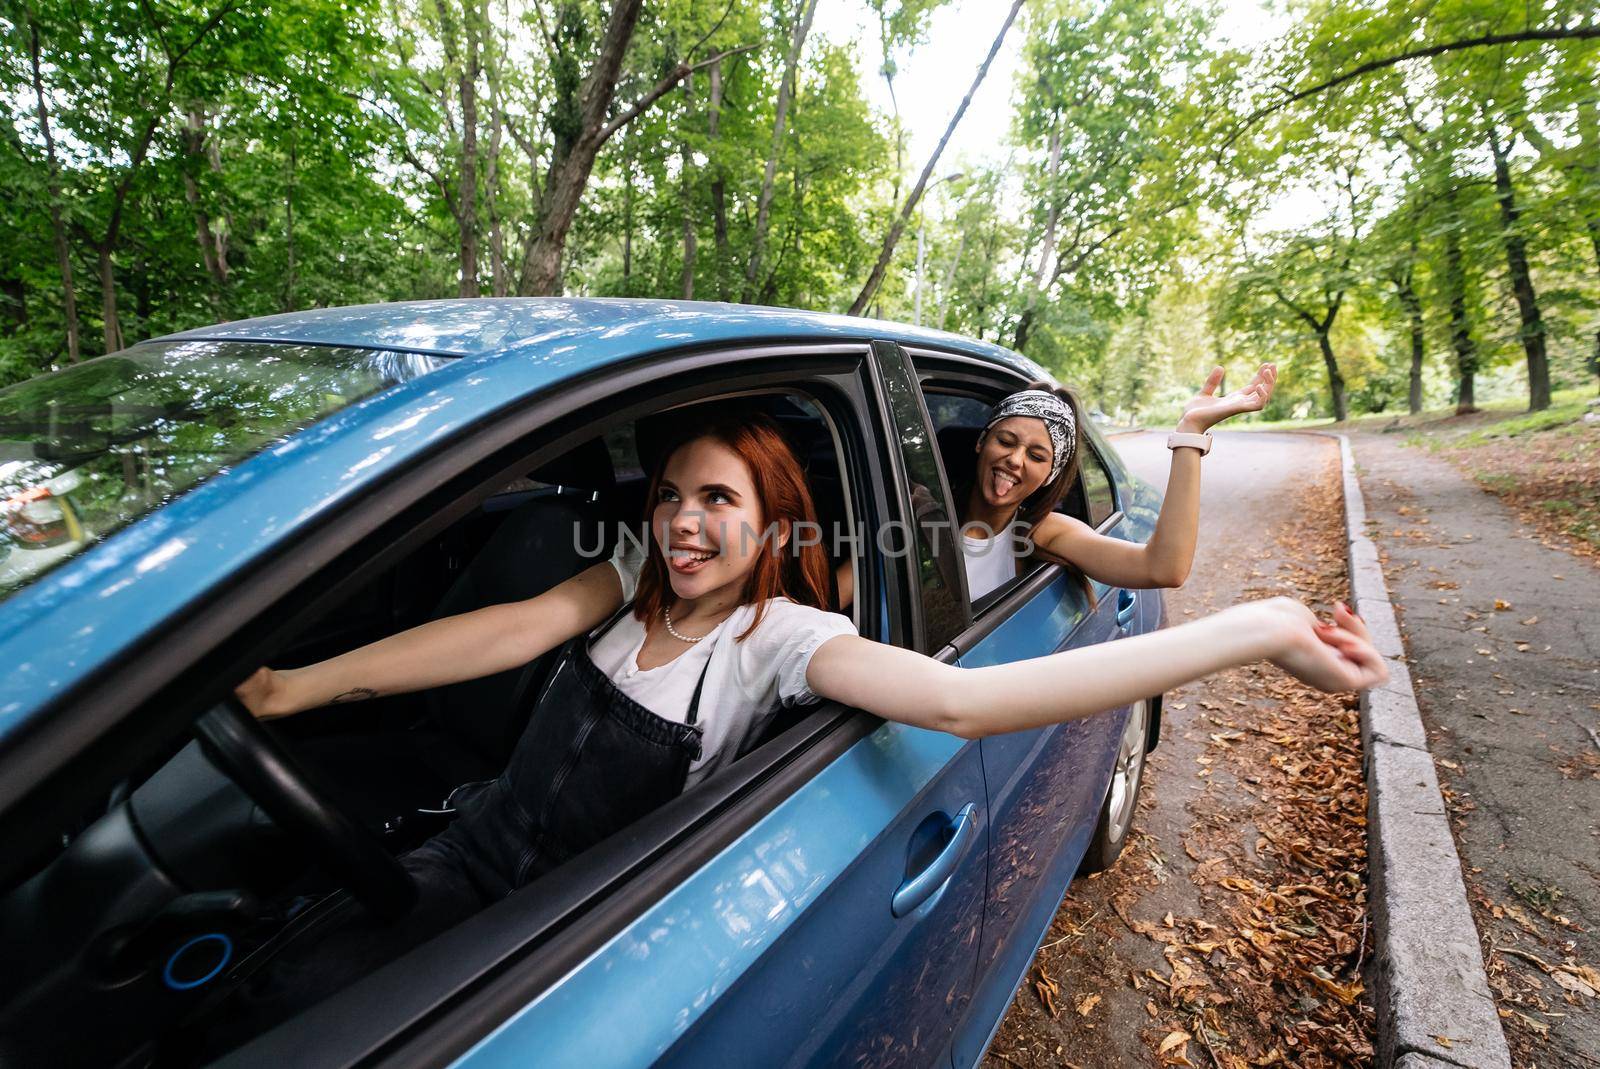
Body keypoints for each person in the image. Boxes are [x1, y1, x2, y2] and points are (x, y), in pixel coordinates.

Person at [222, 399, 1378, 1040]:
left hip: (553, 935)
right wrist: (293, 690)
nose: (681, 521)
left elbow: (961, 698)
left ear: (773, 521)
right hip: (460, 859)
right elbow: (503, 631)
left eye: (716, 500)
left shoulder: (778, 639)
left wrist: (1259, 627)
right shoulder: (628, 573)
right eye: (669, 493)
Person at [835, 364, 1277, 606]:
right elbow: (842, 595)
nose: (1014, 460)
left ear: (1049, 474)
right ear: (981, 443)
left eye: (1036, 455)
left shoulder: (1044, 531)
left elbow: (1163, 569)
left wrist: (1190, 434)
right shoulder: (913, 509)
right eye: (1005, 441)